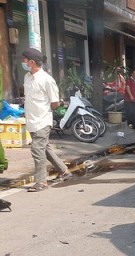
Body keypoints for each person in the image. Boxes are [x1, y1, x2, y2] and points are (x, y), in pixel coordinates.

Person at [21, 48, 72, 192]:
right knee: (45, 148)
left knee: (37, 150)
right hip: (31, 120)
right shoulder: (27, 77)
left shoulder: (47, 80)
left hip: (42, 120)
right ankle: (64, 171)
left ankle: (41, 182)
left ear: (32, 62)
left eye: (24, 60)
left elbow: (55, 103)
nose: (22, 62)